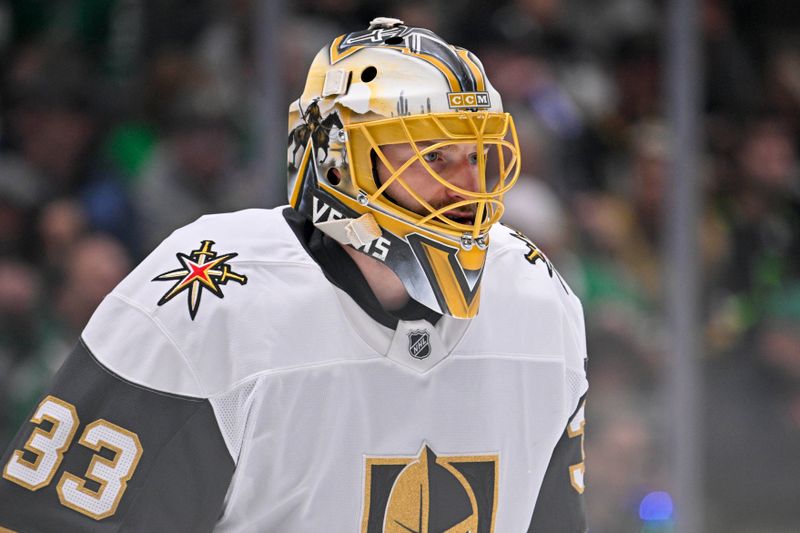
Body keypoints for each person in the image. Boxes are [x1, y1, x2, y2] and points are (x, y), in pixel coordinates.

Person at [0, 18, 588, 532]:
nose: (464, 185)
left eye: (477, 154)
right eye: (431, 156)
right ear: (335, 161)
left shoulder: (535, 297)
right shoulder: (211, 299)